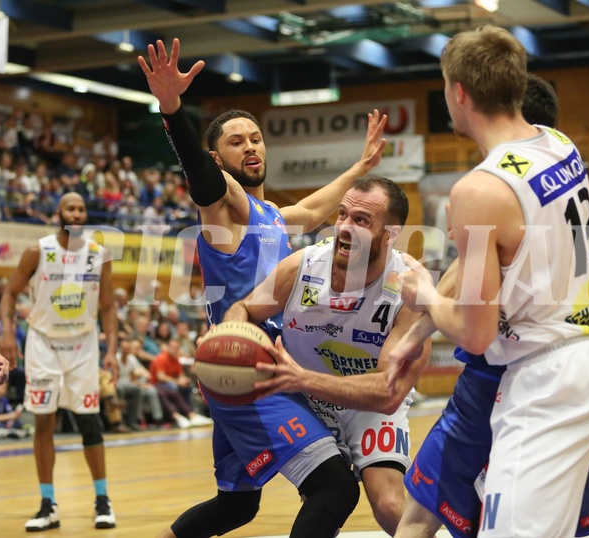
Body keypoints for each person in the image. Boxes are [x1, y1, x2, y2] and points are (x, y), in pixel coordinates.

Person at [139, 37, 388, 538]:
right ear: (217, 155)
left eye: (255, 137)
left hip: (244, 369)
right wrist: (172, 109)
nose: (250, 146)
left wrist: (360, 169)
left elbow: (315, 210)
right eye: (237, 141)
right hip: (246, 367)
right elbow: (202, 176)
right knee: (334, 487)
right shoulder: (223, 206)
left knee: (235, 507)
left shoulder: (270, 215)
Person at [387, 26, 589, 538]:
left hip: (542, 376)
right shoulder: (561, 145)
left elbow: (475, 333)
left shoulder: (479, 189)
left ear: (459, 92)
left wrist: (426, 296)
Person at [227, 176, 431, 535]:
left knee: (387, 503)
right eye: (342, 215)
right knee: (327, 497)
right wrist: (225, 339)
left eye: (362, 220)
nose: (345, 228)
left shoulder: (410, 288)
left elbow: (388, 393)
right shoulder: (302, 266)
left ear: (390, 235)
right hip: (306, 401)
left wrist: (303, 379)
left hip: (368, 403)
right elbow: (243, 308)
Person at [0, 192, 119, 532]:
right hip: (43, 344)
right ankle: (47, 503)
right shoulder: (37, 250)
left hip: (82, 345)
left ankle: (102, 500)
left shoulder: (99, 255)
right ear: (58, 214)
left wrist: (111, 349)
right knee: (43, 424)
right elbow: (9, 293)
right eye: (71, 208)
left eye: (82, 209)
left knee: (89, 422)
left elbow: (108, 307)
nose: (78, 214)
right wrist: (8, 333)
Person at [149, 338, 211, 429]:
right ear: (167, 347)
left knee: (187, 387)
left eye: (177, 348)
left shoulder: (175, 359)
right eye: (173, 347)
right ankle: (182, 416)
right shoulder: (161, 358)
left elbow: (180, 374)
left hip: (169, 383)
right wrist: (178, 382)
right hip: (156, 384)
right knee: (172, 389)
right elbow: (161, 377)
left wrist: (184, 380)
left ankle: (192, 415)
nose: (175, 350)